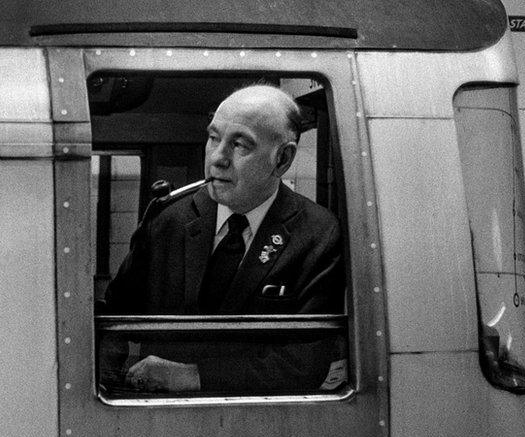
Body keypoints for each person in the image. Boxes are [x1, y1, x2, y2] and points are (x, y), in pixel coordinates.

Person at [102, 84, 345, 394]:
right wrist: (107, 372)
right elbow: (118, 313)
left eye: (240, 144)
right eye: (214, 138)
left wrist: (192, 377)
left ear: (283, 159)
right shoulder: (168, 219)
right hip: (160, 420)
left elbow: (304, 363)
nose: (218, 158)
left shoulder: (317, 234)